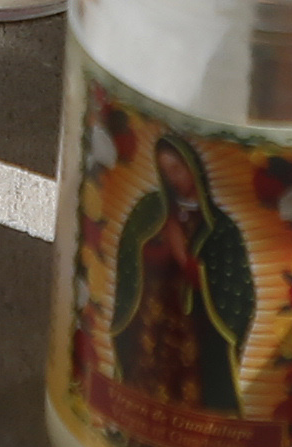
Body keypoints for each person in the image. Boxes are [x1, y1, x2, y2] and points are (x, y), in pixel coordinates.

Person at [106, 120, 257, 420]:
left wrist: (184, 256)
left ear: (194, 169)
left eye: (178, 168)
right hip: (150, 323)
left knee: (191, 396)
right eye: (166, 170)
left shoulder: (220, 228)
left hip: (194, 336)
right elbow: (128, 258)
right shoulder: (151, 210)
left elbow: (237, 292)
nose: (173, 177)